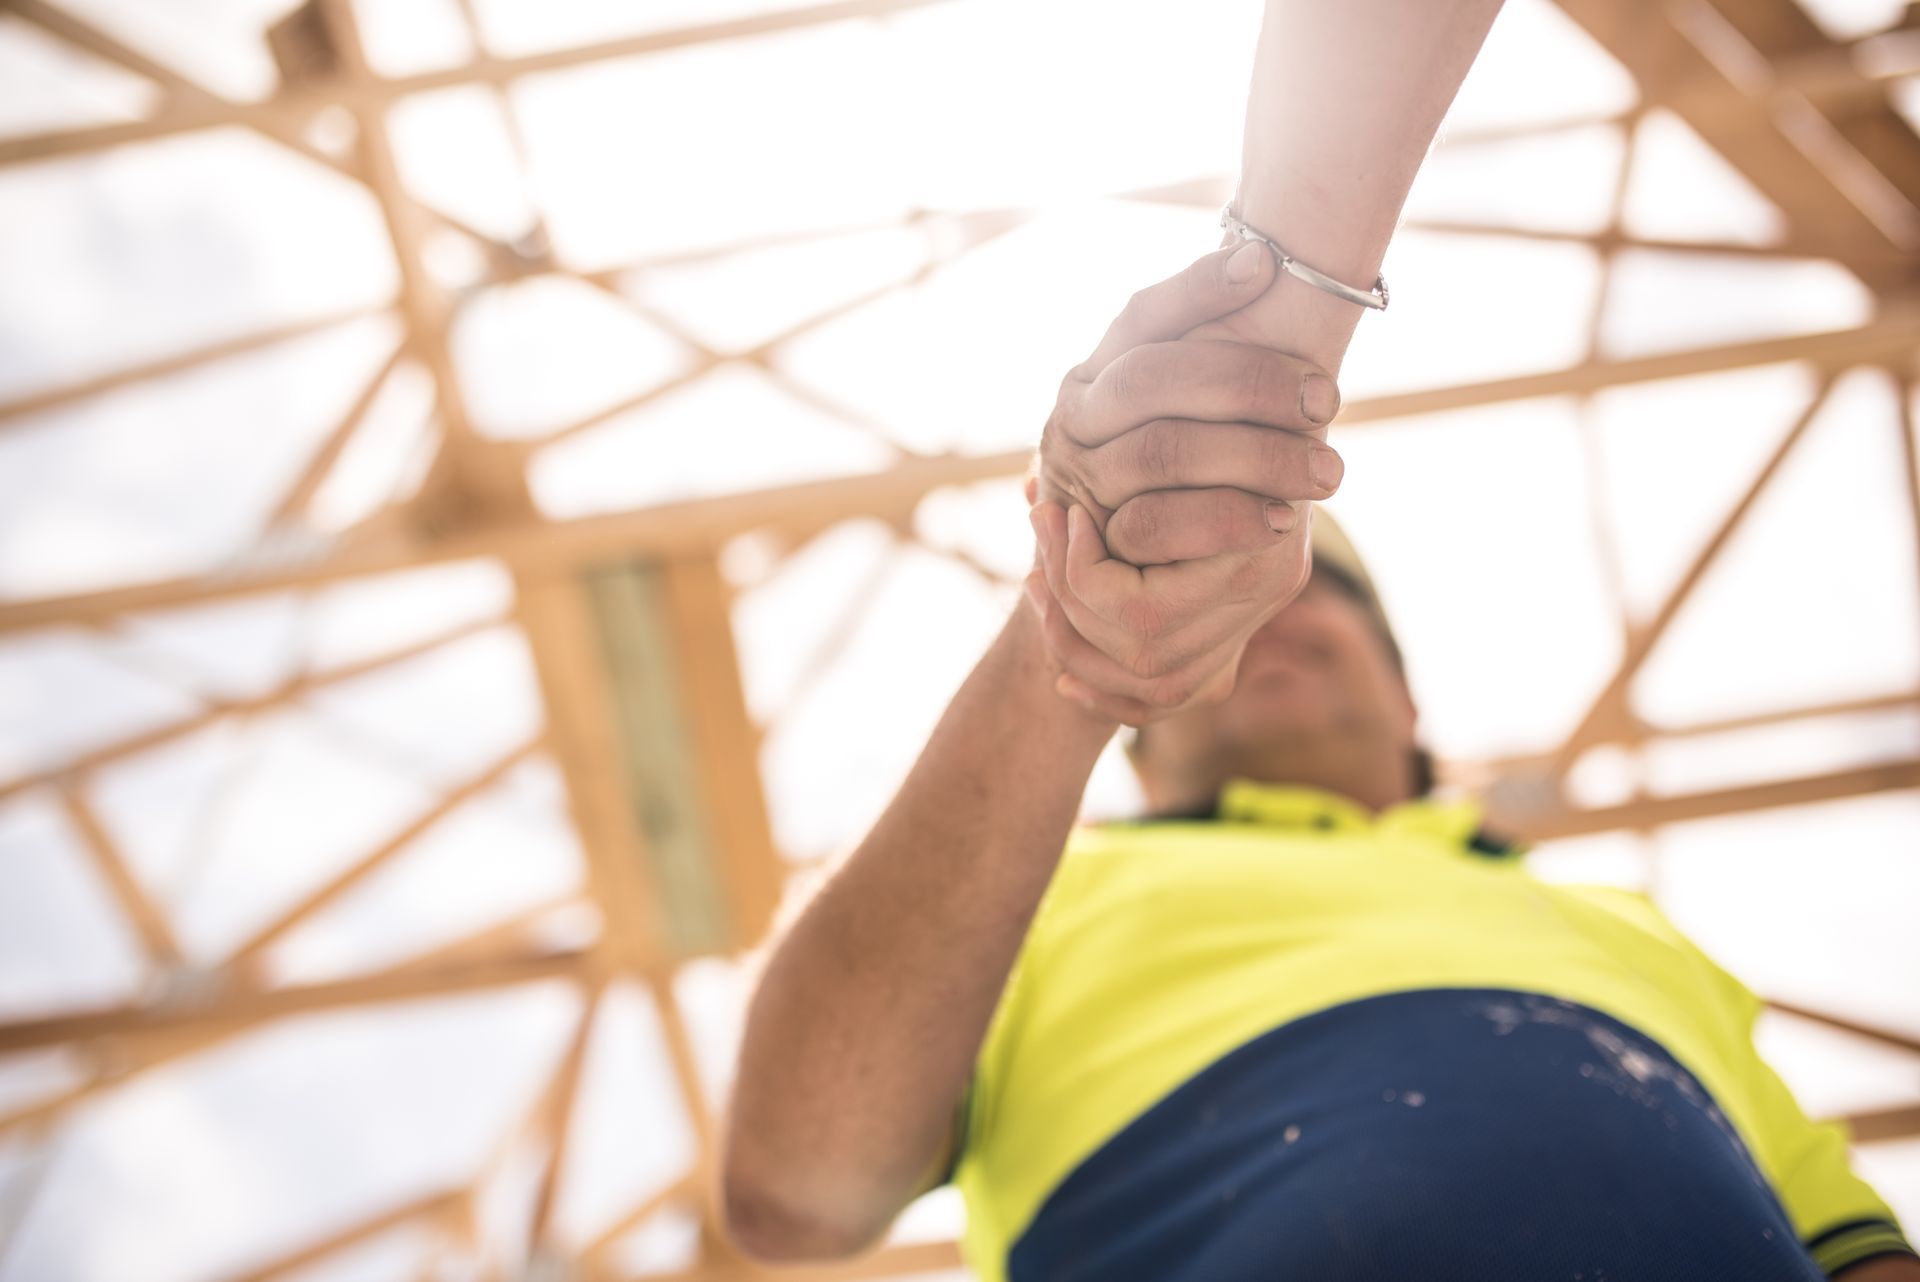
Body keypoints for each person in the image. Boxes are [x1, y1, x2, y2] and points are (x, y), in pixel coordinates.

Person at [718, 1, 1920, 1277]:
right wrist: (1071, 646)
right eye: (1226, 587)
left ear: (1412, 707)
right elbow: (799, 1187)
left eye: (1320, 595)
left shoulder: (1645, 938)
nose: (1279, 608)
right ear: (1139, 740)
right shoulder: (1024, 902)